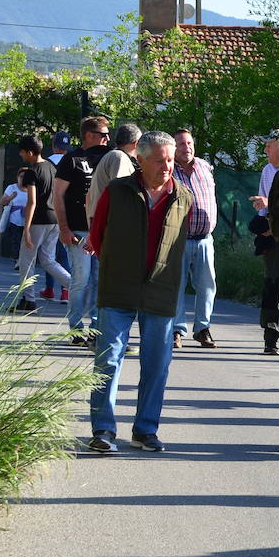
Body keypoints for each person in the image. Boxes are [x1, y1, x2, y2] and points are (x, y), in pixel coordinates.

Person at [82, 131, 195, 453]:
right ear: (140, 160)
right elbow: (97, 235)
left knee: (157, 364)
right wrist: (118, 265)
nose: (166, 166)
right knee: (108, 359)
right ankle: (103, 430)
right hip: (118, 286)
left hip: (161, 289)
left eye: (170, 160)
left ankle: (145, 430)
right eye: (159, 160)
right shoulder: (118, 191)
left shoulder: (183, 197)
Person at [52, 116, 111, 344]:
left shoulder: (108, 157)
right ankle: (75, 329)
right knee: (81, 279)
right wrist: (64, 228)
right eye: (103, 135)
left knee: (99, 280)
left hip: (102, 230)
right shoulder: (72, 159)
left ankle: (96, 328)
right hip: (78, 230)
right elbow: (58, 195)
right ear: (89, 135)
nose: (107, 139)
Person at [13, 135, 72, 313]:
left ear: (30, 152)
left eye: (22, 152)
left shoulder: (32, 172)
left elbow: (32, 202)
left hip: (38, 221)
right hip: (54, 219)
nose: (21, 155)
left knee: (26, 261)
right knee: (48, 260)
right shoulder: (51, 167)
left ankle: (29, 300)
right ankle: (77, 287)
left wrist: (26, 229)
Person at [171, 129, 218, 349]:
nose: (186, 147)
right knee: (176, 286)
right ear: (173, 148)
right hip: (178, 239)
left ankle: (202, 328)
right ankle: (176, 330)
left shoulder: (204, 166)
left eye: (189, 143)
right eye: (181, 144)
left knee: (207, 287)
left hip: (205, 239)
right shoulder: (169, 170)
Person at [250, 128, 279, 355]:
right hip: (273, 236)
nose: (265, 150)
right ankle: (270, 337)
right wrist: (264, 223)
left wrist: (270, 204)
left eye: (269, 146)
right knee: (271, 284)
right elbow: (264, 208)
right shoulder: (267, 170)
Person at [41, 131, 73, 303]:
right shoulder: (73, 161)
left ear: (53, 146)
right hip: (70, 211)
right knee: (65, 254)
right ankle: (66, 291)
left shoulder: (45, 164)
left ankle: (49, 288)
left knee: (49, 255)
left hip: (50, 212)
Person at [88, 124, 142, 224]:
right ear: (136, 143)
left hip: (102, 220)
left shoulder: (114, 155)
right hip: (108, 222)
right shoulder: (119, 158)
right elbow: (121, 194)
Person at [0, 169, 29, 258]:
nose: (23, 179)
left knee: (26, 243)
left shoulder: (32, 189)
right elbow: (1, 202)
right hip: (14, 221)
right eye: (21, 177)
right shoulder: (12, 188)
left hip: (28, 220)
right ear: (17, 177)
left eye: (25, 177)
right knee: (15, 242)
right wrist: (11, 197)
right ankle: (17, 259)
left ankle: (24, 260)